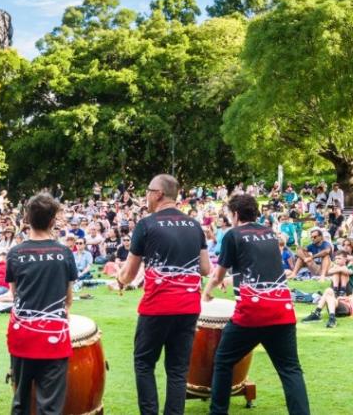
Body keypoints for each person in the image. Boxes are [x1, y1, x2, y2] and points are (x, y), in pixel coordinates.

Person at [202, 193, 309, 414]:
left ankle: (218, 411)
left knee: (223, 361)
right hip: (282, 310)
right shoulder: (270, 234)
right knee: (290, 370)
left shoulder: (233, 235)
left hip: (252, 313)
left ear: (236, 214)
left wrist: (206, 294)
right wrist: (234, 279)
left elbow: (216, 275)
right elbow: (260, 269)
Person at [116, 174, 211, 415]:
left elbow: (129, 274)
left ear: (159, 193)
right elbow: (206, 268)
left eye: (148, 190)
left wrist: (120, 278)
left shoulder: (146, 225)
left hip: (157, 307)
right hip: (188, 307)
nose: (145, 196)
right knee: (178, 370)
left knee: (144, 364)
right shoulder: (194, 225)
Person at [6, 193, 78, 414]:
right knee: (50, 407)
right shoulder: (64, 253)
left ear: (27, 218)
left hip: (23, 334)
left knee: (21, 401)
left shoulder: (16, 253)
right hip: (54, 336)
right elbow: (68, 299)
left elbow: (15, 294)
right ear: (52, 220)